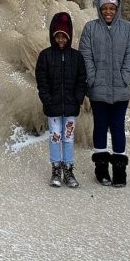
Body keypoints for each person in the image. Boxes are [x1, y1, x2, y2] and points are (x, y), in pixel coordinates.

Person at [79, 0, 130, 188]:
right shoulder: (90, 28)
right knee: (100, 126)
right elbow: (85, 55)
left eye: (111, 8)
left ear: (117, 8)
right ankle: (101, 169)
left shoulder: (128, 29)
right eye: (104, 8)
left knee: (118, 127)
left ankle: (120, 171)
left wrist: (124, 76)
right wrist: (93, 78)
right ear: (99, 8)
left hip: (120, 89)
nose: (108, 12)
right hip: (98, 89)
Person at [35, 12, 87, 188]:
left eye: (64, 36)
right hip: (53, 107)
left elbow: (82, 80)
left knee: (68, 138)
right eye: (57, 36)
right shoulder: (45, 56)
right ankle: (56, 169)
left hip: (71, 107)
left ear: (69, 36)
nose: (61, 40)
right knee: (55, 137)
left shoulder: (76, 57)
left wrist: (78, 98)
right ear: (52, 36)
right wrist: (47, 99)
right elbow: (41, 81)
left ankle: (69, 169)